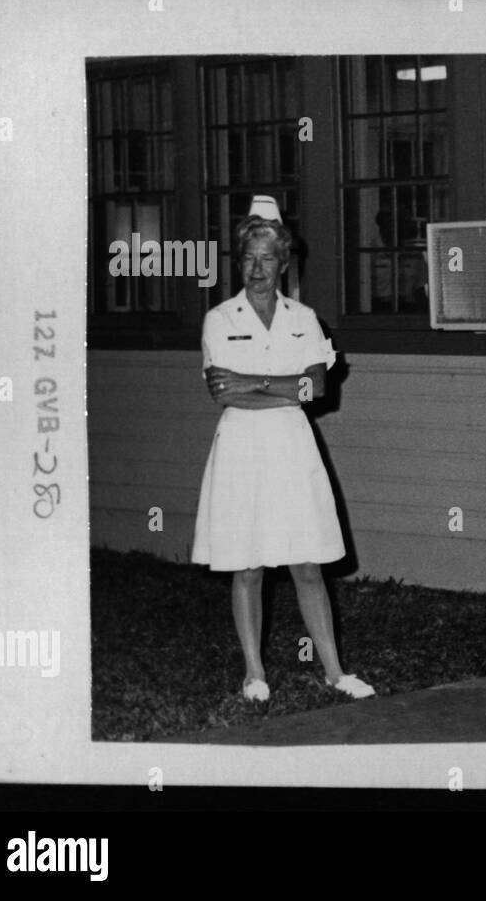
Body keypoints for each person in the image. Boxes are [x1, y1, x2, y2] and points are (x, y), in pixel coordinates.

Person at [192, 195, 375, 702]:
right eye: (249, 258)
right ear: (239, 261)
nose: (257, 269)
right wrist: (284, 382)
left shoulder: (305, 318)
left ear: (283, 262)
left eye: (267, 258)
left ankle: (336, 671)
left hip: (293, 449)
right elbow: (224, 393)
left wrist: (257, 381)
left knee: (307, 563)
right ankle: (254, 673)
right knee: (248, 565)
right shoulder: (220, 318)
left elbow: (317, 389)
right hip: (243, 449)